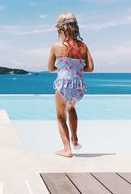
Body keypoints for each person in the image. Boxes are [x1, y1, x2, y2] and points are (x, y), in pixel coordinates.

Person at [47, 13, 94, 158]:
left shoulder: (56, 47)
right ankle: (75, 138)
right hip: (78, 85)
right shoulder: (83, 47)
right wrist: (77, 69)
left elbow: (49, 68)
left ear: (60, 29)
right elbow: (90, 68)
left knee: (60, 116)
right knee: (71, 109)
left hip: (63, 84)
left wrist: (62, 68)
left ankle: (67, 149)